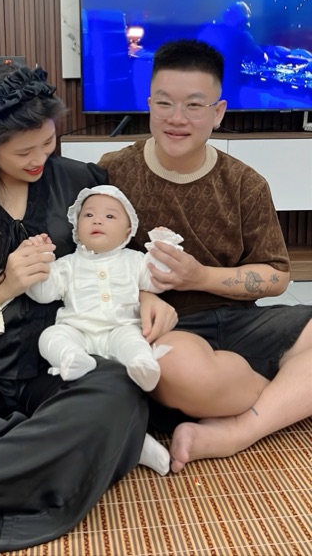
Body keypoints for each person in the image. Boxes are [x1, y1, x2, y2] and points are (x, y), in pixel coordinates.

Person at [0, 64, 177, 552]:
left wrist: (144, 293)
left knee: (117, 388)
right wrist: (2, 286)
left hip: (63, 363)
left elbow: (117, 252)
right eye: (23, 151)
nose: (40, 159)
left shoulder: (80, 182)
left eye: (49, 143)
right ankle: (82, 445)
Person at [98, 38, 312, 472]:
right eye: (164, 103)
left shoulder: (245, 183)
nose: (177, 118)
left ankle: (240, 429)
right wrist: (141, 295)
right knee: (173, 369)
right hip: (169, 329)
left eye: (195, 105)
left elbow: (277, 276)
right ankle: (284, 392)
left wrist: (200, 277)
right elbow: (87, 256)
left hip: (240, 321)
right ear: (149, 104)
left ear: (218, 112)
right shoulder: (113, 172)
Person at [26, 186, 184, 476]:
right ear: (76, 229)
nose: (97, 220)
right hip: (78, 332)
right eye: (88, 215)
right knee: (51, 337)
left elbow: (158, 280)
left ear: (127, 232)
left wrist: (163, 246)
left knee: (133, 341)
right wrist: (40, 260)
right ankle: (71, 358)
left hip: (120, 329)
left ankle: (142, 365)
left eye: (110, 216)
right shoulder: (67, 265)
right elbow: (42, 293)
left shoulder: (135, 261)